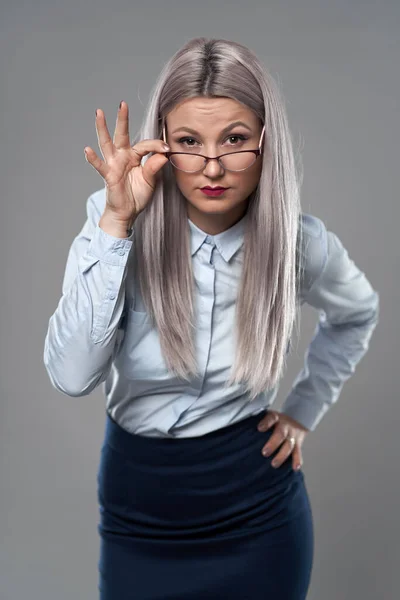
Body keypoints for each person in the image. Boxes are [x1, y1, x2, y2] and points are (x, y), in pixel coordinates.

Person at [43, 37, 379, 600]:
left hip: (257, 512)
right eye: (189, 142)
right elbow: (72, 376)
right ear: (164, 146)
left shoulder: (300, 245)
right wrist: (117, 224)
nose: (213, 165)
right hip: (139, 513)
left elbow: (357, 314)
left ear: (266, 142)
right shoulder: (114, 226)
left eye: (236, 139)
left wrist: (303, 409)